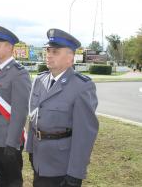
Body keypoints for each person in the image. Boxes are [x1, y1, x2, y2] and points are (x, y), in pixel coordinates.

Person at [26, 28, 99, 187]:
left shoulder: (81, 87)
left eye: (55, 51)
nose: (49, 55)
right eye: (48, 51)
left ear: (70, 58)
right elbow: (33, 118)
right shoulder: (39, 81)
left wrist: (75, 173)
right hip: (39, 160)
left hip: (62, 165)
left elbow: (84, 136)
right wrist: (30, 150)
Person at [0, 26, 31, 187]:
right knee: (1, 178)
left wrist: (12, 143)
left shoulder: (19, 73)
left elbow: (20, 113)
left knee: (12, 181)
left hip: (7, 140)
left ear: (9, 47)